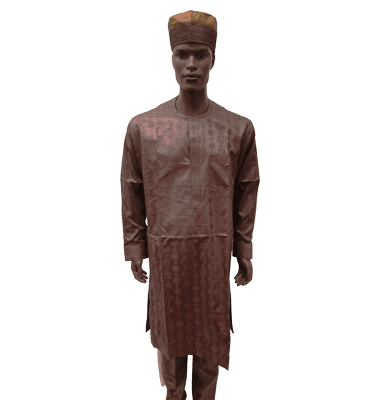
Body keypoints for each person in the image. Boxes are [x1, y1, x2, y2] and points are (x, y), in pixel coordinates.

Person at [120, 9, 260, 400]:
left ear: (214, 59)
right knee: (170, 349)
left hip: (213, 256)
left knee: (210, 346)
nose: (192, 64)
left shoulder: (238, 128)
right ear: (172, 58)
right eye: (183, 54)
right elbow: (132, 189)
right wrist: (135, 245)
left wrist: (244, 247)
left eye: (201, 54)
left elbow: (247, 190)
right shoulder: (143, 127)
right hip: (167, 257)